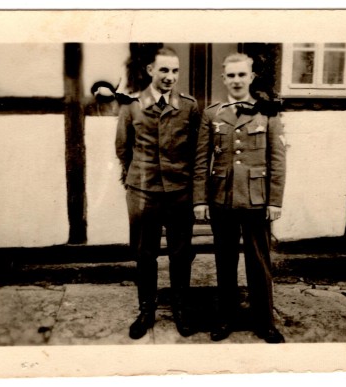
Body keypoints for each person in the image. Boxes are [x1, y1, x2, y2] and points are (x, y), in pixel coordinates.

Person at [193, 53, 286, 343]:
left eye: (241, 75)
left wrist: (274, 200)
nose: (236, 80)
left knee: (259, 262)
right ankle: (226, 318)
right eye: (230, 76)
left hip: (257, 199)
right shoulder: (212, 114)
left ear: (251, 77)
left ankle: (264, 321)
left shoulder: (268, 113)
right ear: (223, 79)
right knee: (225, 260)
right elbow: (200, 161)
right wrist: (200, 200)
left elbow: (277, 160)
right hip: (222, 198)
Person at [115, 47, 200, 340]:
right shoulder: (132, 105)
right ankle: (146, 310)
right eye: (164, 70)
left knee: (180, 254)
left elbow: (196, 152)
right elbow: (123, 148)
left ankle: (181, 309)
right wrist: (135, 179)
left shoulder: (189, 106)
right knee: (145, 254)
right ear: (151, 70)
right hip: (143, 192)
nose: (170, 77)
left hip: (179, 192)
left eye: (175, 71)